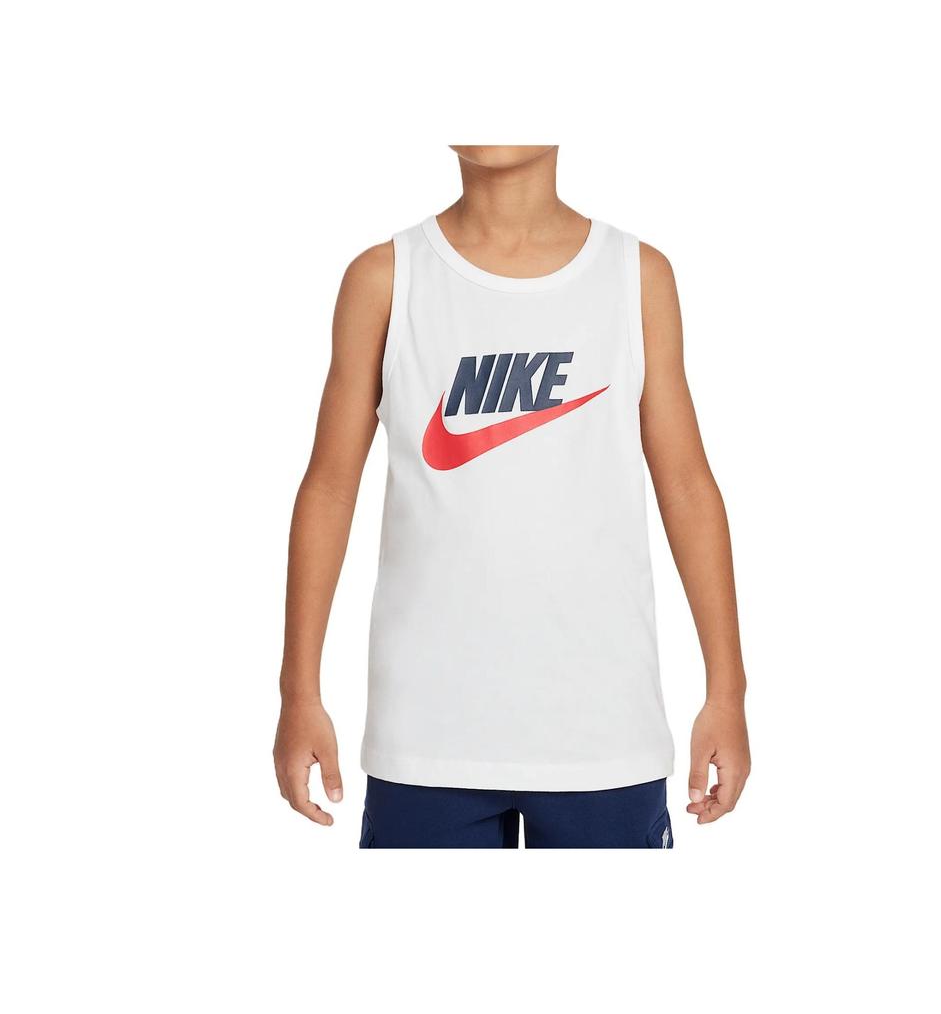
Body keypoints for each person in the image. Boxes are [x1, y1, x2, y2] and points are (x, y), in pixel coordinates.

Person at [273, 145, 750, 848]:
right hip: (426, 738)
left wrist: (727, 691)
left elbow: (686, 486)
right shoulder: (387, 277)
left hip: (603, 735)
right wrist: (299, 694)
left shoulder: (635, 276)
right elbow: (329, 488)